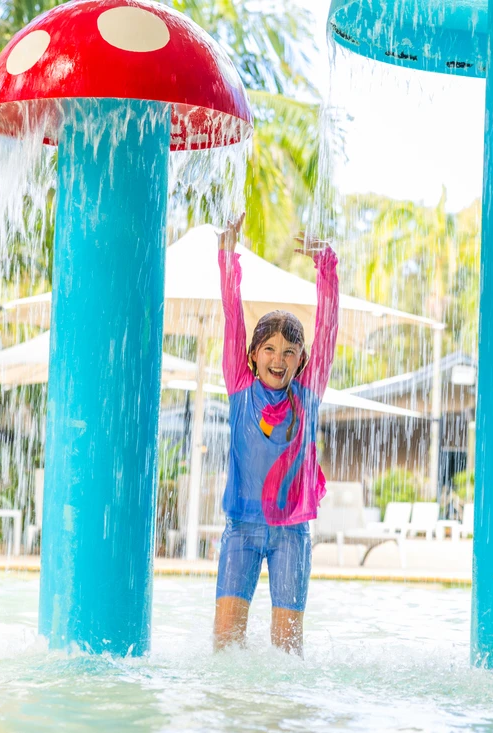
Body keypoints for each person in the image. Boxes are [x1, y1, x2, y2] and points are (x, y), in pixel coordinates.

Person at [212, 213, 339, 655]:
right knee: (225, 646)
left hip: (292, 536)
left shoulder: (309, 393)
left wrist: (327, 270)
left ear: (302, 359)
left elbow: (327, 328)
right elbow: (232, 314)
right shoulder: (240, 387)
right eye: (269, 349)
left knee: (288, 652)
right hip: (241, 530)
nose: (279, 358)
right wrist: (227, 256)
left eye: (289, 351)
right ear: (252, 354)